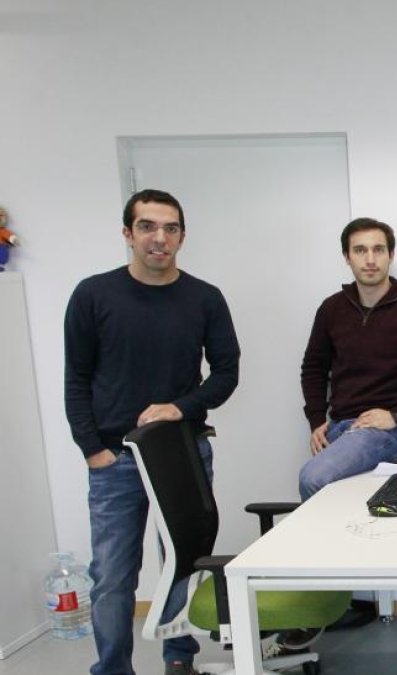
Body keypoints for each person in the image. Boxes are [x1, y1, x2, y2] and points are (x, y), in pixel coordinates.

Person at [65, 189, 241, 675]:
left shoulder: (204, 298)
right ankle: (113, 668)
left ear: (182, 236)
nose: (159, 239)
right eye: (147, 227)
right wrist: (92, 450)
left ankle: (178, 660)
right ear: (128, 233)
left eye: (170, 228)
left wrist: (179, 408)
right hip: (114, 460)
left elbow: (226, 373)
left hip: (183, 455)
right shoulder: (93, 294)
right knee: (111, 577)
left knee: (183, 563)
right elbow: (76, 377)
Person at [299, 217, 397, 500]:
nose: (370, 259)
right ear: (347, 257)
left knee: (313, 477)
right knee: (333, 495)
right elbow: (314, 368)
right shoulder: (331, 309)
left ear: (391, 255)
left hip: (388, 432)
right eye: (360, 250)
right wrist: (316, 419)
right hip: (340, 427)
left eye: (378, 249)